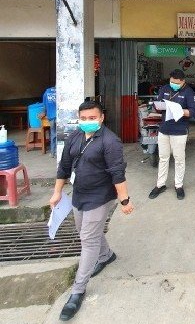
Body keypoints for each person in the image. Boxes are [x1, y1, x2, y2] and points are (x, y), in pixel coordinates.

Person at [49, 101, 134, 321]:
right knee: (85, 232)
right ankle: (106, 256)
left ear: (101, 118)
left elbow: (117, 172)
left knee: (88, 239)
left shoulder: (110, 141)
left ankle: (77, 291)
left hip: (100, 195)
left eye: (92, 118)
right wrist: (57, 192)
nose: (87, 122)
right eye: (84, 118)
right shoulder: (75, 136)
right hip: (79, 193)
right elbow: (64, 166)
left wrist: (124, 200)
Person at [149, 69, 195, 200]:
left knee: (179, 159)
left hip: (179, 130)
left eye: (176, 83)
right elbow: (158, 105)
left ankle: (178, 185)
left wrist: (180, 110)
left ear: (183, 81)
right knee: (163, 157)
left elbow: (193, 112)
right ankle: (160, 185)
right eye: (171, 82)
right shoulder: (165, 88)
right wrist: (157, 106)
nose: (173, 84)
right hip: (164, 129)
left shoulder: (188, 92)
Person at [42, 86, 56, 157]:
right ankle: (60, 152)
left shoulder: (46, 92)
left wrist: (44, 113)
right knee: (61, 134)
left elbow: (44, 106)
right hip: (60, 116)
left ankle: (53, 153)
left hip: (51, 116)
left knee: (53, 134)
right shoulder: (60, 92)